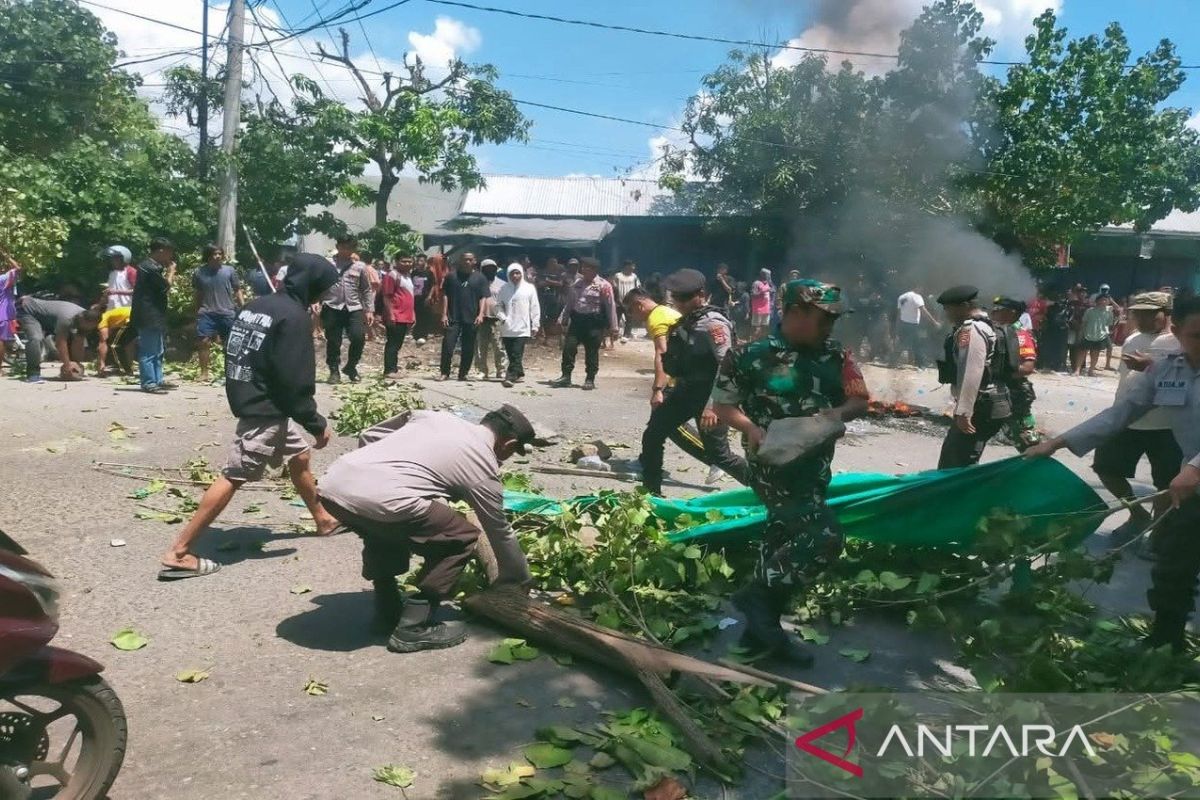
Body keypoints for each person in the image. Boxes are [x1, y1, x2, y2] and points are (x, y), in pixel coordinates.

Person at [1027, 294, 1200, 652]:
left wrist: (1195, 467)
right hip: (1193, 486)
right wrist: (1058, 442)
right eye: (1198, 335)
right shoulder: (1167, 368)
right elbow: (1121, 413)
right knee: (1174, 562)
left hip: (1193, 475)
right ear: (1178, 330)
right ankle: (1166, 643)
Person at [712, 279, 869, 665]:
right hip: (774, 466)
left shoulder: (835, 355)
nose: (830, 327)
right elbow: (723, 404)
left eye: (834, 320)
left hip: (815, 464)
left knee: (780, 538)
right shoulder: (749, 355)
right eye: (824, 319)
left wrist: (837, 413)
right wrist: (749, 427)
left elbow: (859, 398)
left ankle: (760, 634)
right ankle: (757, 597)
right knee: (824, 537)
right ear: (795, 313)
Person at [158, 254, 341, 580]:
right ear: (313, 284)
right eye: (324, 288)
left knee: (299, 455)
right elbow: (293, 380)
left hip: (251, 396)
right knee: (234, 474)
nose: (324, 295)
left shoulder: (257, 306)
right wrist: (316, 423)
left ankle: (323, 519)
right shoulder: (294, 317)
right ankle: (179, 552)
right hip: (265, 409)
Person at [318, 405, 538, 652]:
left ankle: (386, 611)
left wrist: (378, 479)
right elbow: (498, 529)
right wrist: (518, 577)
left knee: (384, 527)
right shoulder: (482, 465)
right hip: (380, 498)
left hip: (332, 486)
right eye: (511, 453)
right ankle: (413, 627)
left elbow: (368, 435)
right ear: (508, 444)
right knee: (461, 537)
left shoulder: (433, 416)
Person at [635, 269, 750, 494]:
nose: (680, 303)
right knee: (653, 434)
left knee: (720, 455)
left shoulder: (713, 324)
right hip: (686, 392)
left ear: (700, 294)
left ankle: (768, 489)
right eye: (677, 298)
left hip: (711, 395)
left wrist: (712, 406)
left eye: (685, 298)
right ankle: (651, 494)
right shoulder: (687, 321)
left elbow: (726, 366)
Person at [1088, 291, 1181, 545]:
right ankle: (1138, 515)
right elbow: (1125, 381)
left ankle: (1159, 534)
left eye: (1150, 313)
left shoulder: (1180, 342)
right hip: (1128, 421)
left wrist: (1153, 365)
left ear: (1167, 313)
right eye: (1138, 313)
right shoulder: (1132, 340)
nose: (1141, 318)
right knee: (1106, 468)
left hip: (1167, 426)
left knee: (1166, 482)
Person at [935, 285, 1013, 469]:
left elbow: (971, 371)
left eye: (948, 308)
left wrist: (964, 411)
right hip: (994, 402)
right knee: (962, 458)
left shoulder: (972, 329)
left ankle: (958, 497)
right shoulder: (990, 323)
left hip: (981, 406)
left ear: (964, 305)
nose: (946, 313)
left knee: (955, 464)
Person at [552, 257, 617, 391]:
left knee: (591, 351)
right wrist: (562, 319)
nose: (583, 270)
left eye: (587, 268)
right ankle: (566, 376)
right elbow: (570, 303)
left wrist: (614, 327)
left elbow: (610, 307)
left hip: (594, 322)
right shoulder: (577, 283)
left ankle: (590, 379)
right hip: (577, 321)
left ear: (594, 270)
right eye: (583, 267)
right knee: (569, 348)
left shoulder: (604, 285)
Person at [320, 234, 373, 384]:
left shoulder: (360, 266)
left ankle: (351, 366)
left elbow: (366, 289)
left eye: (350, 248)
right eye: (343, 247)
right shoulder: (327, 264)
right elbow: (319, 283)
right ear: (338, 247)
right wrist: (316, 301)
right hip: (332, 306)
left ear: (354, 249)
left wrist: (369, 310)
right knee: (333, 341)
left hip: (353, 307)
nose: (346, 250)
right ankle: (334, 371)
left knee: (358, 337)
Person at [990, 297, 1041, 452]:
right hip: (996, 390)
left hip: (1014, 391)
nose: (993, 313)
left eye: (998, 310)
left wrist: (1000, 374)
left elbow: (1027, 367)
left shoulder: (1019, 335)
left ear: (1011, 313)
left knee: (1026, 438)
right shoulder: (995, 332)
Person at [16, 297, 99, 383]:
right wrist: (67, 365)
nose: (85, 330)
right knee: (36, 338)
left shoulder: (87, 319)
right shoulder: (67, 318)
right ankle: (33, 374)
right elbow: (60, 343)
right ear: (81, 318)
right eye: (84, 327)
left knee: (70, 338)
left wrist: (76, 363)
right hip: (28, 309)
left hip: (48, 320)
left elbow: (79, 341)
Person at [131, 237, 176, 394]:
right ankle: (149, 382)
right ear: (161, 251)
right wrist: (171, 272)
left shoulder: (152, 266)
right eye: (170, 252)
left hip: (155, 314)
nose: (171, 256)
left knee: (158, 349)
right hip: (148, 314)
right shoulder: (148, 267)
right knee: (149, 350)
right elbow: (165, 287)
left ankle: (158, 379)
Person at [193, 244, 244, 383]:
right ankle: (204, 373)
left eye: (220, 254)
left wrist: (243, 307)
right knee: (203, 342)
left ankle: (232, 373)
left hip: (227, 312)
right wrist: (196, 311)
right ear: (208, 256)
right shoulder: (199, 272)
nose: (218, 256)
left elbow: (237, 290)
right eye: (215, 254)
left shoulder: (229, 271)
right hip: (206, 312)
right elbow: (198, 293)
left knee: (231, 344)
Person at [439, 251, 489, 382]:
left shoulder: (480, 278)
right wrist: (444, 314)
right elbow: (445, 295)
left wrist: (481, 314)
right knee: (448, 346)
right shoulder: (451, 276)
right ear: (460, 260)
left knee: (468, 347)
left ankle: (463, 373)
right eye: (465, 259)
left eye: (470, 259)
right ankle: (444, 372)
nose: (467, 262)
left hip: (471, 317)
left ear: (474, 261)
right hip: (453, 316)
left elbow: (483, 297)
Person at [498, 262, 539, 387]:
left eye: (518, 273)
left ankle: (510, 376)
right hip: (507, 327)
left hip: (523, 327)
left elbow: (535, 307)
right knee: (511, 354)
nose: (515, 276)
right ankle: (519, 372)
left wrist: (535, 324)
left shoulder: (529, 288)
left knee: (516, 352)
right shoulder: (504, 288)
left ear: (522, 274)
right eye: (512, 273)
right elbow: (498, 306)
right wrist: (503, 317)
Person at [380, 254, 416, 378]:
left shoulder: (408, 277)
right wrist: (391, 314)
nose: (407, 264)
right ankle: (389, 370)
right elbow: (387, 296)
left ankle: (393, 368)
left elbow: (410, 297)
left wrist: (413, 314)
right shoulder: (392, 275)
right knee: (393, 343)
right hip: (396, 315)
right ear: (396, 262)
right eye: (404, 261)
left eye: (409, 261)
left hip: (405, 315)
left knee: (398, 343)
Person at [475, 258, 507, 380]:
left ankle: (501, 370)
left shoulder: (502, 284)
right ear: (482, 270)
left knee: (499, 347)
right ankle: (482, 370)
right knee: (480, 347)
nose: (489, 271)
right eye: (486, 269)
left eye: (492, 269)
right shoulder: (477, 283)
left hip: (496, 319)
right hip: (481, 318)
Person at [894, 286, 940, 367]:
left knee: (902, 343)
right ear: (917, 287)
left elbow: (899, 312)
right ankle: (921, 365)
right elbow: (923, 311)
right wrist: (934, 322)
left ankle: (892, 362)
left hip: (903, 323)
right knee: (917, 345)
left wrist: (897, 325)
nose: (922, 290)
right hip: (912, 325)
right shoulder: (917, 297)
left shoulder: (902, 297)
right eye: (921, 288)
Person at [1074, 295, 1115, 377]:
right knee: (1082, 352)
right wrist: (1081, 334)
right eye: (1102, 300)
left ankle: (1091, 370)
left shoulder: (1109, 313)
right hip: (1088, 334)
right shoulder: (1090, 311)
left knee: (1095, 354)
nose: (1104, 302)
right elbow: (1084, 322)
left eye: (1106, 300)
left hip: (1100, 335)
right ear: (1097, 301)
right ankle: (1077, 370)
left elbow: (1108, 324)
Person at [95, 304, 135, 375]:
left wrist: (101, 362)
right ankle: (129, 367)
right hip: (136, 314)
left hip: (129, 319)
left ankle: (123, 369)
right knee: (126, 343)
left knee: (114, 346)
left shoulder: (102, 319)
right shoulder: (112, 315)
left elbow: (103, 341)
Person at [612, 260, 641, 341]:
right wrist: (616, 299)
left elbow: (638, 288)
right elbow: (614, 287)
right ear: (626, 266)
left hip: (630, 302)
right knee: (616, 319)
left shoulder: (634, 276)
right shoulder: (618, 276)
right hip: (619, 301)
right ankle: (615, 334)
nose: (633, 268)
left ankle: (626, 335)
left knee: (629, 319)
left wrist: (636, 299)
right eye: (632, 266)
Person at [0, 251, 18, 377]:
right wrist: (4, 254)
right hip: (3, 315)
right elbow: (17, 267)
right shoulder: (3, 279)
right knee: (1, 340)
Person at [102, 245, 136, 310]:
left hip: (125, 309)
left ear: (123, 259)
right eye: (112, 259)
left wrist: (116, 291)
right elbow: (109, 291)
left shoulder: (131, 271)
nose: (113, 261)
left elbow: (136, 291)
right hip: (112, 308)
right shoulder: (112, 273)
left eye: (116, 259)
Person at [750, 269, 773, 340]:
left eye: (769, 275)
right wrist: (762, 292)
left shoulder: (768, 284)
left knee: (765, 327)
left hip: (766, 309)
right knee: (756, 328)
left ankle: (762, 341)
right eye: (767, 274)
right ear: (762, 274)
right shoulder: (756, 283)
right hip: (758, 309)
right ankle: (754, 341)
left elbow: (772, 292)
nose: (768, 276)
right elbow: (753, 295)